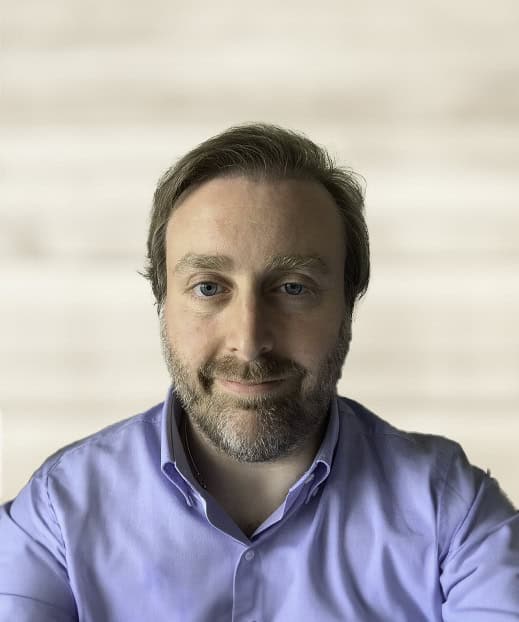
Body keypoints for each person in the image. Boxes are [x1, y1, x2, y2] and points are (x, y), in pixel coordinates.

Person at [0, 123, 517, 622]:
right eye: (208, 287)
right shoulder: (57, 517)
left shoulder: (452, 515)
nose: (248, 342)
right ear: (162, 300)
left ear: (348, 302)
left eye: (293, 287)